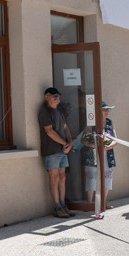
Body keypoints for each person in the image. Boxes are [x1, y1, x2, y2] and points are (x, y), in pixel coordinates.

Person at [38, 87, 74, 218]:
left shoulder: (58, 112)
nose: (56, 97)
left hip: (62, 150)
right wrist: (65, 143)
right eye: (53, 95)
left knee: (62, 178)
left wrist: (70, 143)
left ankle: (63, 204)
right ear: (46, 96)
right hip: (51, 150)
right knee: (54, 178)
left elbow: (65, 128)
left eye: (57, 95)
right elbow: (49, 132)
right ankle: (57, 206)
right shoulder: (44, 112)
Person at [83, 101, 116, 206]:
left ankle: (103, 202)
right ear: (98, 111)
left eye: (108, 109)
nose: (107, 112)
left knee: (107, 177)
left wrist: (109, 146)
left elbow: (115, 139)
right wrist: (94, 146)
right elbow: (84, 140)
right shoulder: (91, 123)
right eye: (105, 109)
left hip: (107, 154)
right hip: (93, 155)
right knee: (92, 177)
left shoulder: (110, 122)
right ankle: (89, 203)